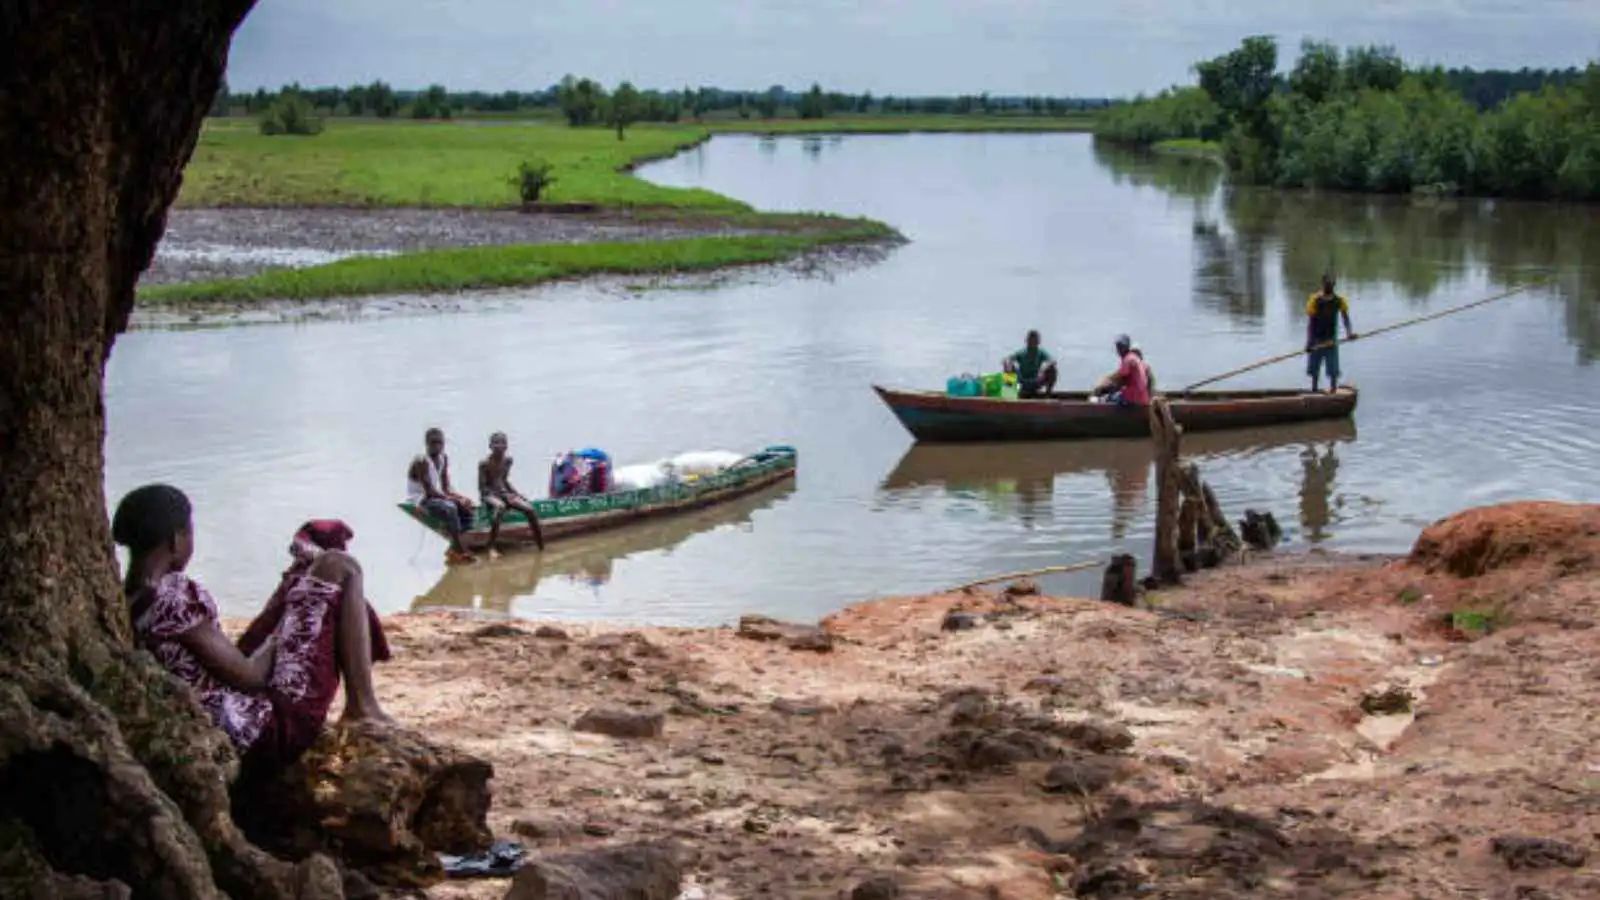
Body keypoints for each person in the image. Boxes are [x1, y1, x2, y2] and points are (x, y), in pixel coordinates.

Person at [114, 484, 392, 777]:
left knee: (301, 584)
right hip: (264, 731)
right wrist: (280, 634)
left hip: (223, 719)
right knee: (341, 565)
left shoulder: (125, 600)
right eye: (190, 532)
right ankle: (363, 707)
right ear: (176, 539)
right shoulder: (173, 596)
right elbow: (251, 678)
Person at [408, 427, 477, 564]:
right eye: (433, 443)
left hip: (434, 496)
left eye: (440, 442)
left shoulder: (443, 458)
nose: (437, 446)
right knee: (451, 508)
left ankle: (455, 543)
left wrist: (461, 498)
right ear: (426, 443)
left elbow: (446, 488)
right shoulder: (421, 461)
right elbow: (429, 491)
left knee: (468, 510)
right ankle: (459, 550)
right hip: (420, 499)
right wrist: (453, 500)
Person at [479, 431, 545, 556]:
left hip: (503, 493)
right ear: (490, 446)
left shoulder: (508, 460)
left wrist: (517, 494)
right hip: (489, 495)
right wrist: (500, 495)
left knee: (530, 510)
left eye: (502, 443)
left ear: (506, 446)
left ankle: (541, 546)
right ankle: (491, 547)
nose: (499, 446)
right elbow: (482, 488)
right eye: (496, 443)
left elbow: (504, 480)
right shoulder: (484, 463)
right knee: (500, 507)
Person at [1306, 274, 1357, 392]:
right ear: (1322, 284)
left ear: (1334, 285)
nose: (1328, 286)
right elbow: (1311, 323)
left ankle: (1333, 391)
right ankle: (1314, 391)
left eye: (1331, 284)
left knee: (1333, 368)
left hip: (1331, 339)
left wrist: (1349, 333)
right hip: (1316, 338)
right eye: (1326, 284)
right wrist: (1309, 342)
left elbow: (1345, 318)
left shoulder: (1339, 300)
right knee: (1314, 368)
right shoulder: (1315, 300)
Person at [1094, 334, 1151, 407]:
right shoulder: (1134, 358)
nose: (1118, 349)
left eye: (1121, 346)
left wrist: (1105, 389)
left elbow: (1121, 380)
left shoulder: (1128, 359)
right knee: (1112, 394)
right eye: (1117, 346)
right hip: (1142, 397)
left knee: (1106, 399)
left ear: (1126, 347)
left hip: (1133, 397)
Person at [1003, 330, 1058, 398]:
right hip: (1022, 381)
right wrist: (1008, 365)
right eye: (1030, 341)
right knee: (1009, 366)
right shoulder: (1022, 353)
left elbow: (1053, 361)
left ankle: (1047, 395)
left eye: (1034, 342)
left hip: (1036, 381)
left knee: (1052, 369)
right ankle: (1009, 394)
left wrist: (1043, 369)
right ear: (1026, 341)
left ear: (1038, 342)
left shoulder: (1041, 353)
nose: (1032, 344)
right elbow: (1007, 359)